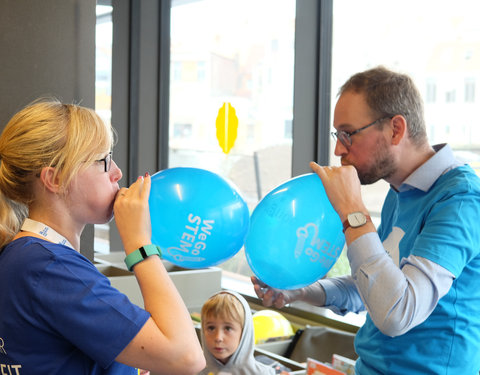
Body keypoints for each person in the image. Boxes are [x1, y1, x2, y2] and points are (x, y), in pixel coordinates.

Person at [252, 66, 480, 374]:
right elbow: (371, 288)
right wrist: (299, 291)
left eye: (348, 134)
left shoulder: (460, 200)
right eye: (337, 135)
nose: (338, 149)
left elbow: (397, 311)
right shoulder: (398, 193)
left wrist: (352, 212)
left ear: (396, 129)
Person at [0, 99, 206, 374]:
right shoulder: (50, 268)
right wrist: (140, 245)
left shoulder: (26, 257)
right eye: (104, 161)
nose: (117, 172)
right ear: (55, 179)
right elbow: (188, 358)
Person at [198, 290, 280, 375]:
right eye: (211, 328)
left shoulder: (264, 373)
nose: (218, 337)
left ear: (244, 333)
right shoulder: (195, 371)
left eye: (228, 328)